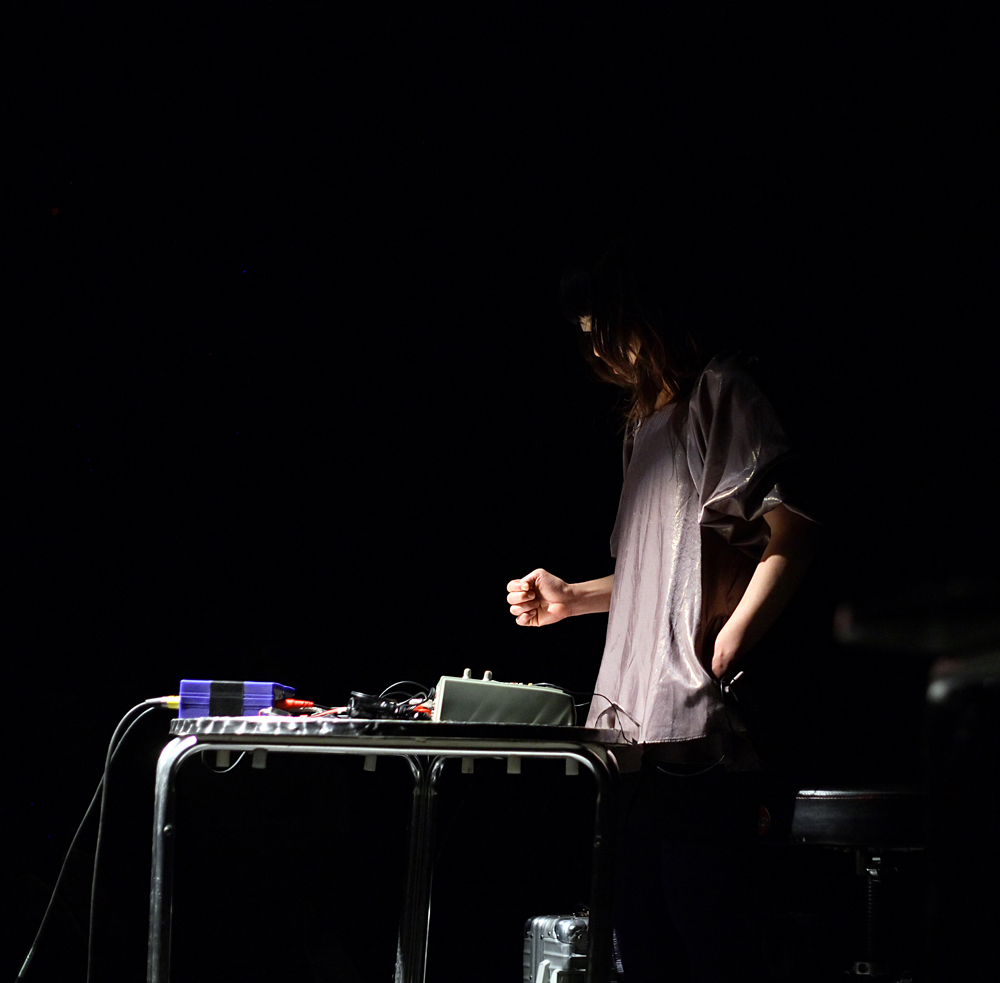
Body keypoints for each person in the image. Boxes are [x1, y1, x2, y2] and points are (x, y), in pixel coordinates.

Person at [505, 238, 819, 982]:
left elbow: (795, 530)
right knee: (639, 936)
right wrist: (574, 597)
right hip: (631, 735)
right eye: (587, 340)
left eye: (604, 331)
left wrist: (734, 637)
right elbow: (655, 571)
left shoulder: (724, 391)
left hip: (697, 728)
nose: (601, 354)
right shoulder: (641, 425)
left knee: (707, 932)